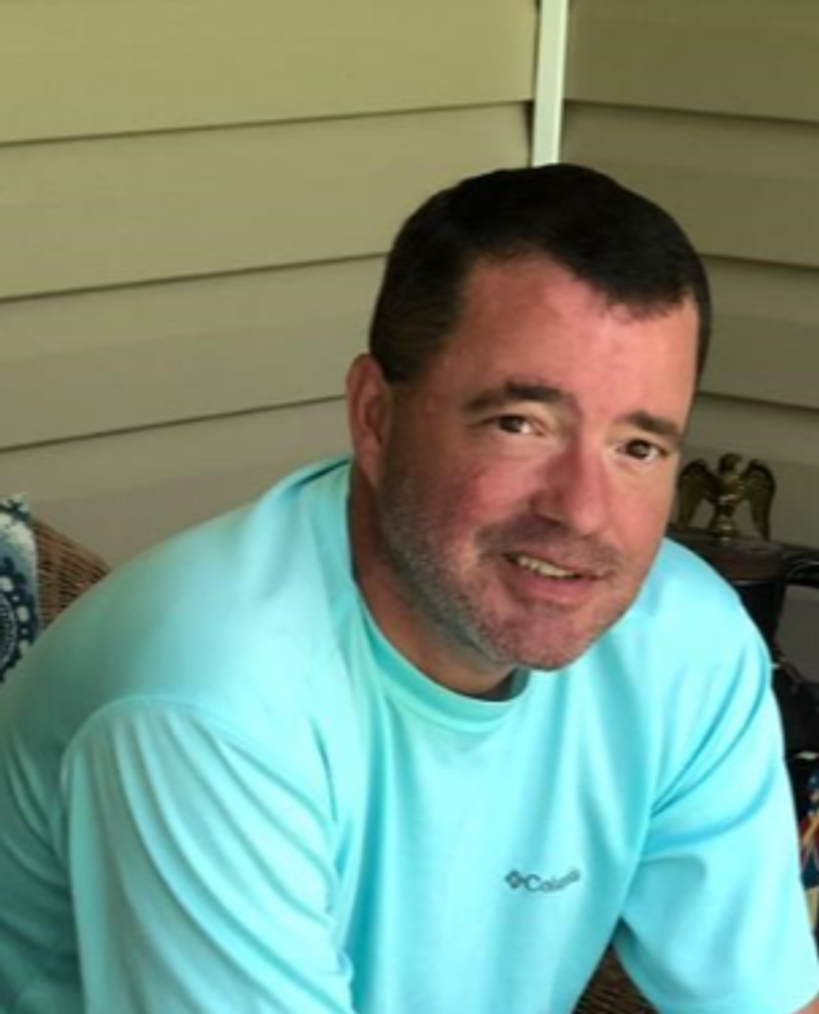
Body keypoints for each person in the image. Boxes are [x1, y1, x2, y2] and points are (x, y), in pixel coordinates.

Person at [0, 164, 817, 1014]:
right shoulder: (210, 702)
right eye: (519, 424)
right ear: (375, 417)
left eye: (636, 448)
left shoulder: (682, 645)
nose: (581, 512)